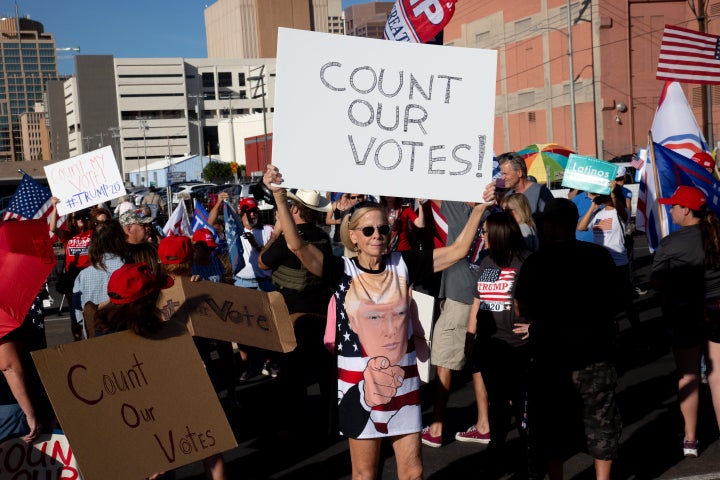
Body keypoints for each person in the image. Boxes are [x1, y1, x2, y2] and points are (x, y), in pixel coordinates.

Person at [263, 164, 489, 480]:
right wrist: (279, 197)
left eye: (383, 229)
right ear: (352, 235)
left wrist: (479, 210)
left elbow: (458, 250)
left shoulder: (404, 263)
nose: (377, 236)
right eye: (368, 230)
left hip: (403, 384)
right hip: (357, 385)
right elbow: (296, 246)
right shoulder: (340, 269)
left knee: (413, 471)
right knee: (365, 473)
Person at [515, 198, 622, 480]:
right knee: (601, 424)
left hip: (552, 359)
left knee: (551, 429)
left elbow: (522, 308)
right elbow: (618, 299)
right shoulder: (599, 257)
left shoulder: (536, 263)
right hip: (595, 354)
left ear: (551, 225)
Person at [258, 188, 336, 437]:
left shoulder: (287, 241)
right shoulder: (323, 238)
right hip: (323, 315)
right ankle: (331, 423)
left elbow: (261, 262)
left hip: (293, 317)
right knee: (325, 372)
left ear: (294, 210)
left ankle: (297, 428)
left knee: (293, 374)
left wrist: (278, 232)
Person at [651, 186, 720, 458]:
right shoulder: (716, 233)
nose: (670, 210)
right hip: (717, 308)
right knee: (717, 376)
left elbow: (656, 281)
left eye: (674, 206)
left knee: (688, 375)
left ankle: (690, 439)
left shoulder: (671, 243)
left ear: (686, 210)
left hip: (685, 312)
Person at [463, 211, 532, 471]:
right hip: (490, 346)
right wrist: (469, 339)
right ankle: (497, 448)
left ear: (500, 233)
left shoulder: (526, 261)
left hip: (518, 347)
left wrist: (535, 325)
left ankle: (529, 450)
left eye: (485, 231)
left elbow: (545, 300)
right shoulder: (487, 262)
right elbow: (478, 304)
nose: (482, 236)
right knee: (498, 401)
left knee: (520, 401)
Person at [422, 200, 491, 449]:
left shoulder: (463, 209)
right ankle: (484, 424)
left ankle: (437, 427)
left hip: (460, 298)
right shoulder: (493, 213)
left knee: (443, 362)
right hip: (478, 296)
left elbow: (436, 188)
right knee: (476, 363)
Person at [577, 182, 642, 338]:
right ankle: (612, 335)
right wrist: (593, 206)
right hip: (602, 264)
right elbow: (581, 227)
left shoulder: (619, 213)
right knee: (606, 304)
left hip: (619, 264)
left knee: (626, 302)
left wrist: (612, 195)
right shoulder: (598, 214)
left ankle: (638, 333)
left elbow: (623, 213)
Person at [72, 219, 128, 338]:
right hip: (127, 336)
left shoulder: (83, 275)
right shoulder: (129, 269)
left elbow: (79, 316)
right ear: (120, 239)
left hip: (95, 339)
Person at [49, 198, 95, 341]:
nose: (80, 219)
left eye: (82, 216)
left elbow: (103, 226)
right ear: (72, 220)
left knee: (90, 310)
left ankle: (91, 338)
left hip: (88, 275)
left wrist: (90, 214)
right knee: (74, 312)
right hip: (72, 277)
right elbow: (52, 228)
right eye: (77, 217)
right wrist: (55, 207)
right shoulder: (68, 236)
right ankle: (77, 341)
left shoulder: (92, 233)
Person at [497, 152, 554, 231]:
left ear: (519, 172)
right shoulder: (507, 196)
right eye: (501, 174)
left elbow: (551, 223)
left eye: (505, 174)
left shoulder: (541, 193)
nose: (502, 178)